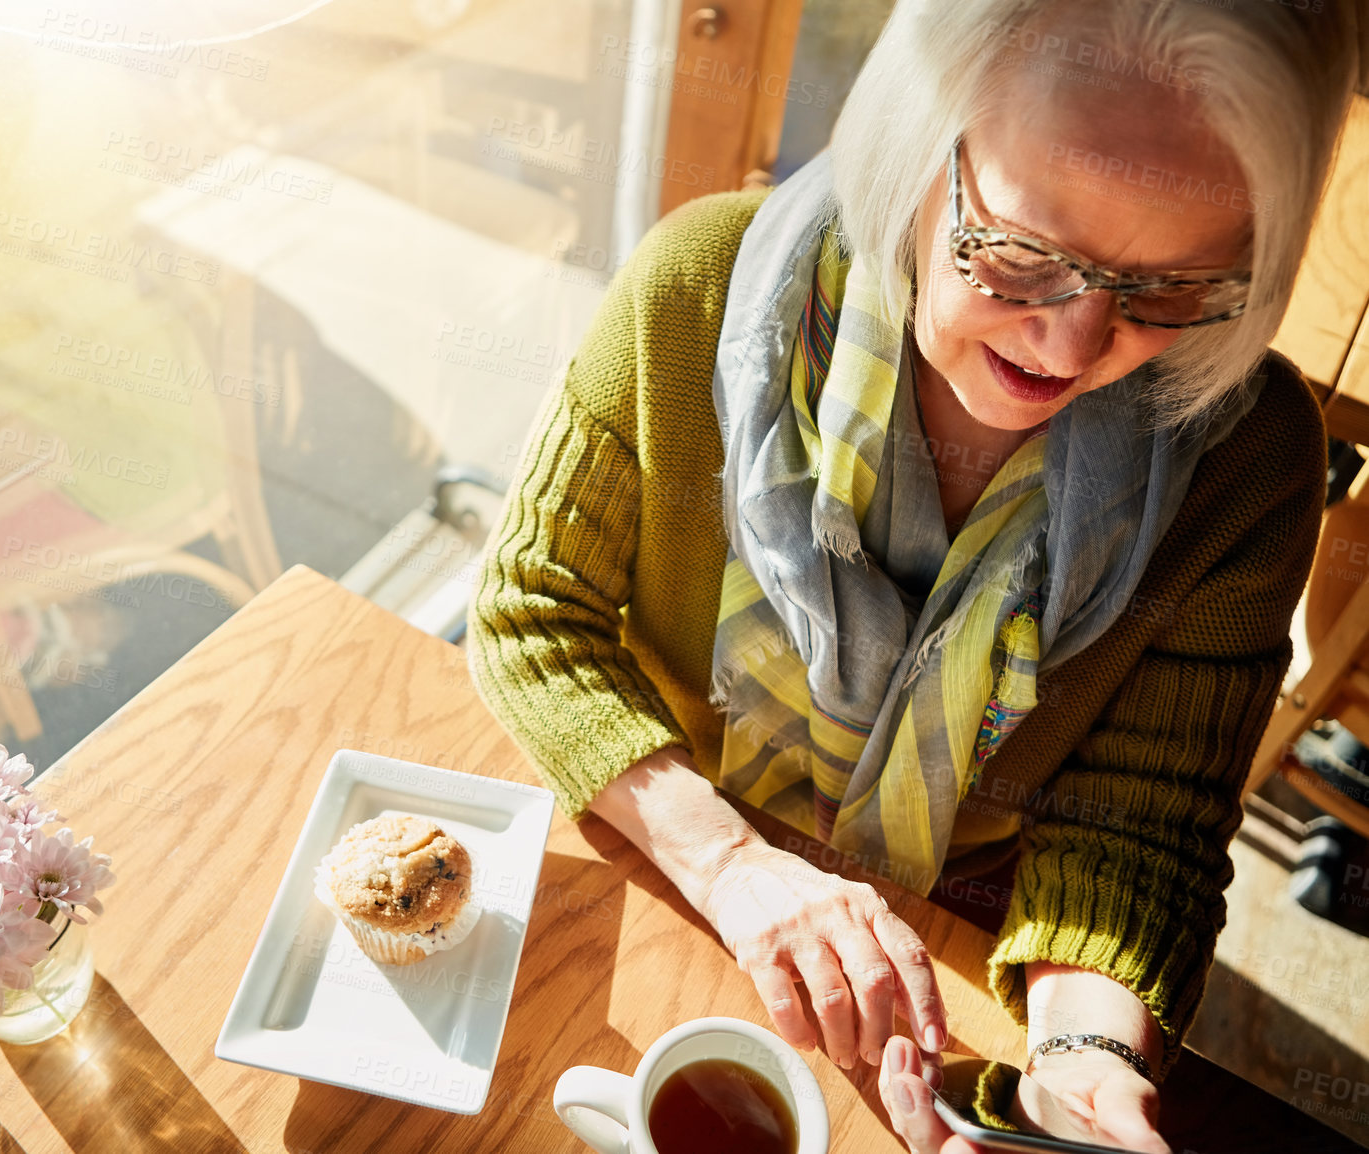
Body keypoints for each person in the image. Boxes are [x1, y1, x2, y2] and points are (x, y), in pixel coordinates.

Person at [466, 1, 1367, 1150]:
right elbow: (530, 610)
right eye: (1023, 254)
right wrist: (733, 863)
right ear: (914, 136)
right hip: (657, 841)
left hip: (963, 940)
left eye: (1173, 292)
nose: (1073, 345)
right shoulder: (696, 288)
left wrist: (1078, 1070)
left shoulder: (1249, 464)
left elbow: (1137, 831)